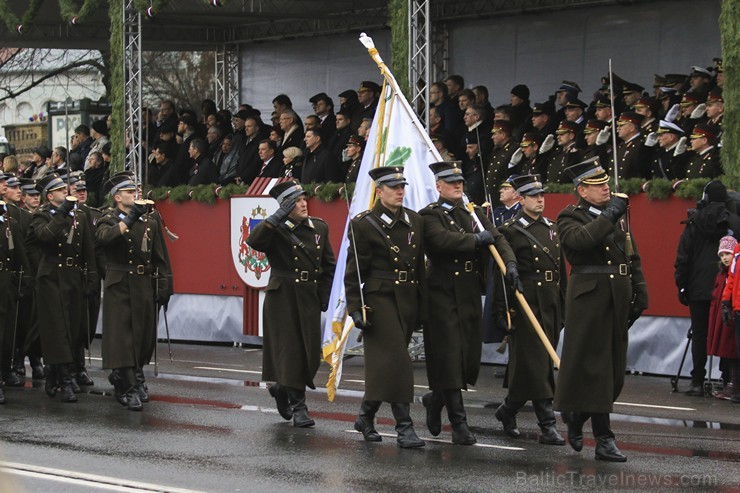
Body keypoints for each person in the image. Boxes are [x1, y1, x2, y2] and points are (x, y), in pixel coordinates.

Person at [556, 157, 648, 462]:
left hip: (616, 296)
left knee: (614, 370)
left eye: (605, 183)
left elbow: (630, 253)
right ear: (582, 191)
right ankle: (605, 438)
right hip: (589, 299)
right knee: (595, 370)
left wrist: (640, 291)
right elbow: (583, 241)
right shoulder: (570, 217)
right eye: (597, 186)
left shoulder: (615, 216)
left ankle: (577, 414)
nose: (605, 188)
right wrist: (609, 214)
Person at [419, 161, 518, 445]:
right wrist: (475, 240)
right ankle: (459, 423)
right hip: (442, 295)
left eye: (460, 181)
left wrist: (509, 263)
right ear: (438, 186)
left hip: (469, 295)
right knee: (449, 358)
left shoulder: (472, 213)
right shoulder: (431, 215)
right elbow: (440, 241)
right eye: (451, 182)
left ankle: (435, 398)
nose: (458, 185)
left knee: (466, 359)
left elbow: (497, 238)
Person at [345, 166, 426, 448]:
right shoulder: (364, 223)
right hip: (379, 300)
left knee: (385, 366)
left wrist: (422, 307)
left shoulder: (415, 221)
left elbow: (419, 268)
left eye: (402, 186)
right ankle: (405, 427)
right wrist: (355, 307)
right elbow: (354, 270)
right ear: (379, 191)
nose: (400, 190)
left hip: (407, 298)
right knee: (399, 363)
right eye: (393, 187)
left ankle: (365, 416)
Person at [246, 180, 335, 427]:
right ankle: (299, 407)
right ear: (284, 206)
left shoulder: (319, 227)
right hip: (282, 295)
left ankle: (282, 387)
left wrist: (324, 296)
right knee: (291, 353)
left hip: (308, 296)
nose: (303, 204)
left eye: (304, 199)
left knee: (310, 354)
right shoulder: (275, 229)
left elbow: (329, 265)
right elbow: (254, 241)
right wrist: (276, 217)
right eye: (296, 201)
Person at [493, 174, 566, 446]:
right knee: (538, 363)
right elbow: (501, 276)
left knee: (536, 364)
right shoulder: (511, 230)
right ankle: (547, 424)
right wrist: (503, 311)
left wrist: (564, 305)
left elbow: (561, 272)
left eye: (542, 195)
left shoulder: (552, 228)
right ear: (521, 199)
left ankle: (508, 409)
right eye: (534, 196)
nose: (540, 200)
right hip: (526, 302)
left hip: (550, 302)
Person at [96, 175, 169, 411]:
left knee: (143, 336)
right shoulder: (107, 218)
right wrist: (129, 218)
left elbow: (160, 255)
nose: (135, 193)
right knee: (123, 338)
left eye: (136, 190)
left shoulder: (149, 219)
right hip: (119, 282)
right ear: (118, 197)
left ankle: (132, 377)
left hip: (143, 282)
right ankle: (126, 386)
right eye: (129, 191)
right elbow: (105, 239)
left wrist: (165, 285)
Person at [28, 173, 98, 403]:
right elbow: (46, 236)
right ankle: (65, 378)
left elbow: (88, 250)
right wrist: (61, 213)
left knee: (73, 328)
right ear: (50, 196)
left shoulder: (80, 215)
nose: (66, 192)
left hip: (73, 276)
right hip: (51, 277)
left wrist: (90, 280)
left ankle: (54, 371)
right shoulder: (41, 216)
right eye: (60, 191)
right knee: (57, 329)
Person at [675, 181, 740, 396]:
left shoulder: (694, 221)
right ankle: (727, 379)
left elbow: (684, 257)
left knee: (699, 333)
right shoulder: (734, 222)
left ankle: (697, 381)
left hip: (698, 286)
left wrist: (681, 285)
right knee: (726, 334)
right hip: (725, 286)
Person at [0, 199, 32, 403]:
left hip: (5, 281)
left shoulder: (8, 219)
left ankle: (5, 368)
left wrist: (26, 279)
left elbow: (19, 250)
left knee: (7, 330)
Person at [711, 236, 738, 400]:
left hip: (733, 316)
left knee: (732, 351)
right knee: (728, 352)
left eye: (728, 253)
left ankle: (734, 385)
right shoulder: (722, 274)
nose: (725, 258)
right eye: (722, 255)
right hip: (727, 317)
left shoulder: (733, 273)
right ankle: (731, 383)